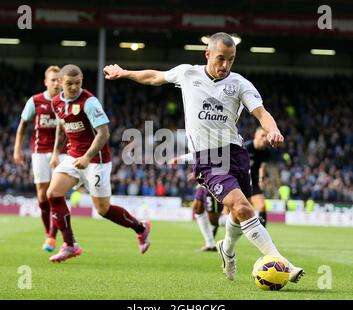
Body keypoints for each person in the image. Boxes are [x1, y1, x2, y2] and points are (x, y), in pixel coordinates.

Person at [103, 32, 304, 283]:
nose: (225, 65)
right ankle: (282, 263)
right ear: (207, 54)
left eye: (230, 60)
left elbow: (261, 113)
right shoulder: (188, 73)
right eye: (220, 58)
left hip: (236, 154)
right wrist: (125, 73)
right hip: (209, 159)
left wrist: (273, 129)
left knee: (237, 211)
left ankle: (226, 249)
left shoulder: (240, 83)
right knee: (243, 207)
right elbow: (155, 77)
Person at [47, 64, 151, 262]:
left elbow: (104, 133)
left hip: (96, 160)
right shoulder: (56, 103)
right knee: (53, 194)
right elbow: (62, 128)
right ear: (60, 83)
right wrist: (55, 153)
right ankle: (70, 245)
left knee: (103, 210)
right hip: (72, 156)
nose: (74, 88)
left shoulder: (89, 102)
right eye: (69, 84)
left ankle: (141, 227)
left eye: (78, 83)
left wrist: (87, 157)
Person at [13, 65, 66, 252]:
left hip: (61, 152)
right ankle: (48, 232)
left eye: (59, 80)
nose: (56, 83)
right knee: (43, 196)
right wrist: (17, 149)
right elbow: (23, 126)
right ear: (46, 82)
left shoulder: (65, 101)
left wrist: (57, 153)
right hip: (39, 151)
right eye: (53, 80)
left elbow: (65, 130)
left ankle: (52, 236)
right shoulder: (35, 101)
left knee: (55, 194)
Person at [244, 127, 272, 227]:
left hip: (253, 181)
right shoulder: (246, 147)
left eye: (267, 136)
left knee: (262, 206)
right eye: (262, 136)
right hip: (239, 180)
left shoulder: (266, 151)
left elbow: (263, 166)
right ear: (256, 136)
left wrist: (261, 179)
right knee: (229, 212)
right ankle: (212, 233)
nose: (265, 139)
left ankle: (263, 237)